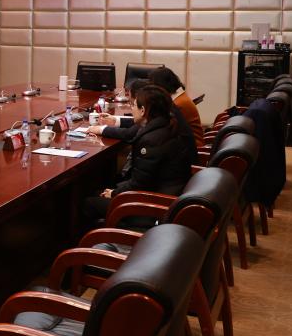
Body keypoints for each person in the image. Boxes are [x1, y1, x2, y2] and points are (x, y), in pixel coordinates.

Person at [84, 85, 193, 222]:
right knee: (98, 190)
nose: (132, 109)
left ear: (143, 111)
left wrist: (115, 193)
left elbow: (139, 184)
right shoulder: (167, 124)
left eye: (134, 105)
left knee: (88, 203)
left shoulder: (151, 140)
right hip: (166, 196)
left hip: (151, 207)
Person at [89, 79, 197, 166]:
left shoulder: (152, 136)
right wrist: (116, 120)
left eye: (133, 104)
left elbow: (130, 133)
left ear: (143, 108)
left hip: (171, 175)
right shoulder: (162, 109)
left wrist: (101, 129)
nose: (131, 107)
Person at [148, 67, 204, 146]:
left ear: (160, 86)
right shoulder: (179, 97)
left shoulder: (178, 103)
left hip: (192, 147)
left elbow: (165, 129)